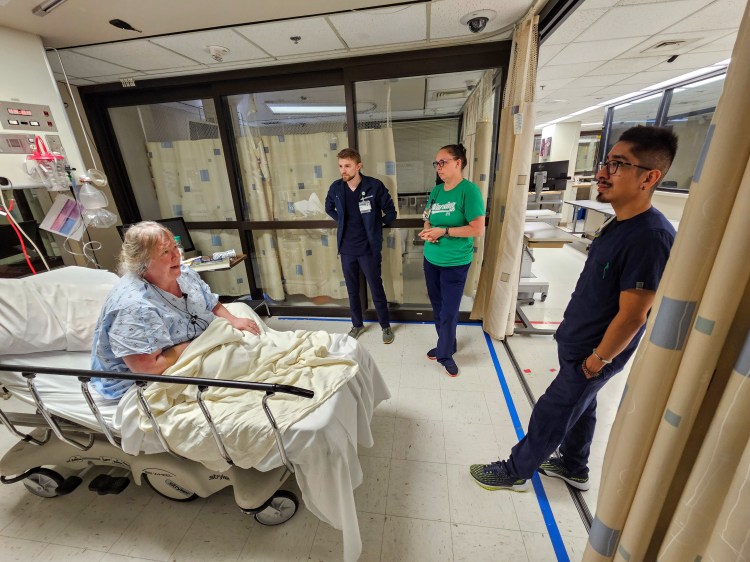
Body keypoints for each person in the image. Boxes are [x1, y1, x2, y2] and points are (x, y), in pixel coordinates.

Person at [470, 125, 678, 491]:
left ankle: (515, 472)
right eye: (606, 162)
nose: (602, 173)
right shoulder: (620, 224)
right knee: (582, 407)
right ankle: (574, 465)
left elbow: (633, 315)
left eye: (618, 164)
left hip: (595, 351)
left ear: (649, 177)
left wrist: (597, 360)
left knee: (552, 411)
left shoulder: (650, 238)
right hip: (581, 344)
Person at [90, 221, 260, 399]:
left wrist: (233, 320)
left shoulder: (183, 272)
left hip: (197, 340)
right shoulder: (134, 307)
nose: (176, 255)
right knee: (240, 358)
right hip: (149, 375)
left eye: (174, 247)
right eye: (165, 252)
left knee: (242, 311)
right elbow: (147, 369)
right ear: (142, 262)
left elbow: (210, 302)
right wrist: (196, 345)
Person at [419, 144, 485, 377]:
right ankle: (448, 343)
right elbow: (427, 218)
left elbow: (477, 228)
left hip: (455, 263)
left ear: (458, 163)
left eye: (443, 162)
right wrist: (428, 230)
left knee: (449, 310)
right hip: (431, 259)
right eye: (436, 163)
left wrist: (443, 231)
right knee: (438, 308)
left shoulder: (469, 191)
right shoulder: (437, 191)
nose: (439, 167)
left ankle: (445, 353)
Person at [325, 148, 397, 344]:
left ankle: (385, 326)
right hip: (347, 249)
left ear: (358, 166)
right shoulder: (336, 188)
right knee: (352, 289)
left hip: (369, 249)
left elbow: (391, 212)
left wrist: (376, 224)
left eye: (347, 166)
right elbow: (328, 207)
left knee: (376, 288)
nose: (343, 170)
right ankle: (357, 325)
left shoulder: (374, 186)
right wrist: (342, 220)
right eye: (340, 166)